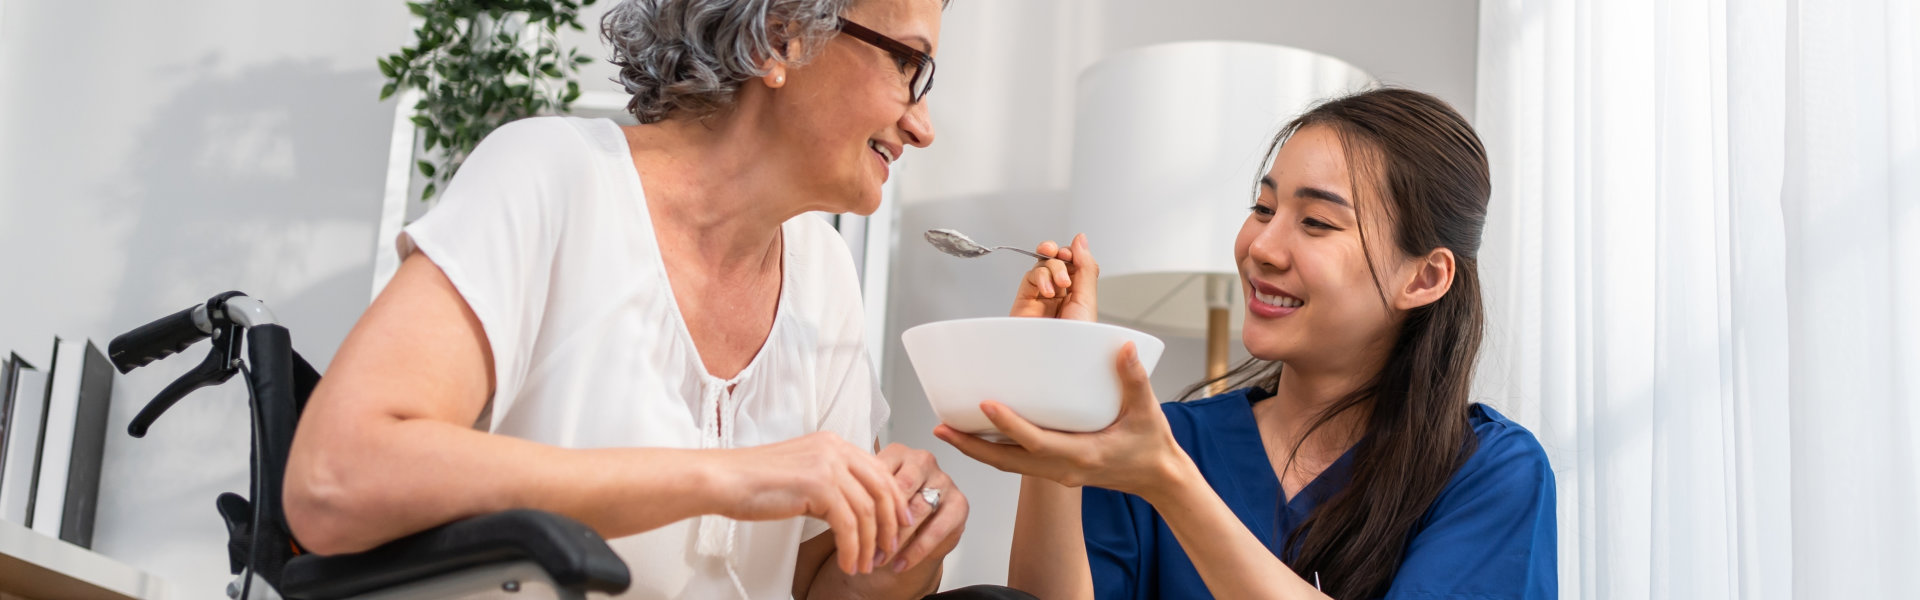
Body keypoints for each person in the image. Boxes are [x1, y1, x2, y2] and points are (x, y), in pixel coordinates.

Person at [282, 0, 969, 598]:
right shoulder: (552, 177)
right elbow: (335, 480)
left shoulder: (824, 276)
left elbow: (815, 584)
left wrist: (900, 549)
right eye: (908, 64)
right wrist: (726, 477)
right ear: (779, 38)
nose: (924, 126)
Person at [938, 88, 1557, 599]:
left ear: (1424, 277)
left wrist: (1168, 483)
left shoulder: (1489, 471)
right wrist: (1058, 393)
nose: (1261, 246)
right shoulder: (1167, 440)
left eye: (1316, 222)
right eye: (1263, 208)